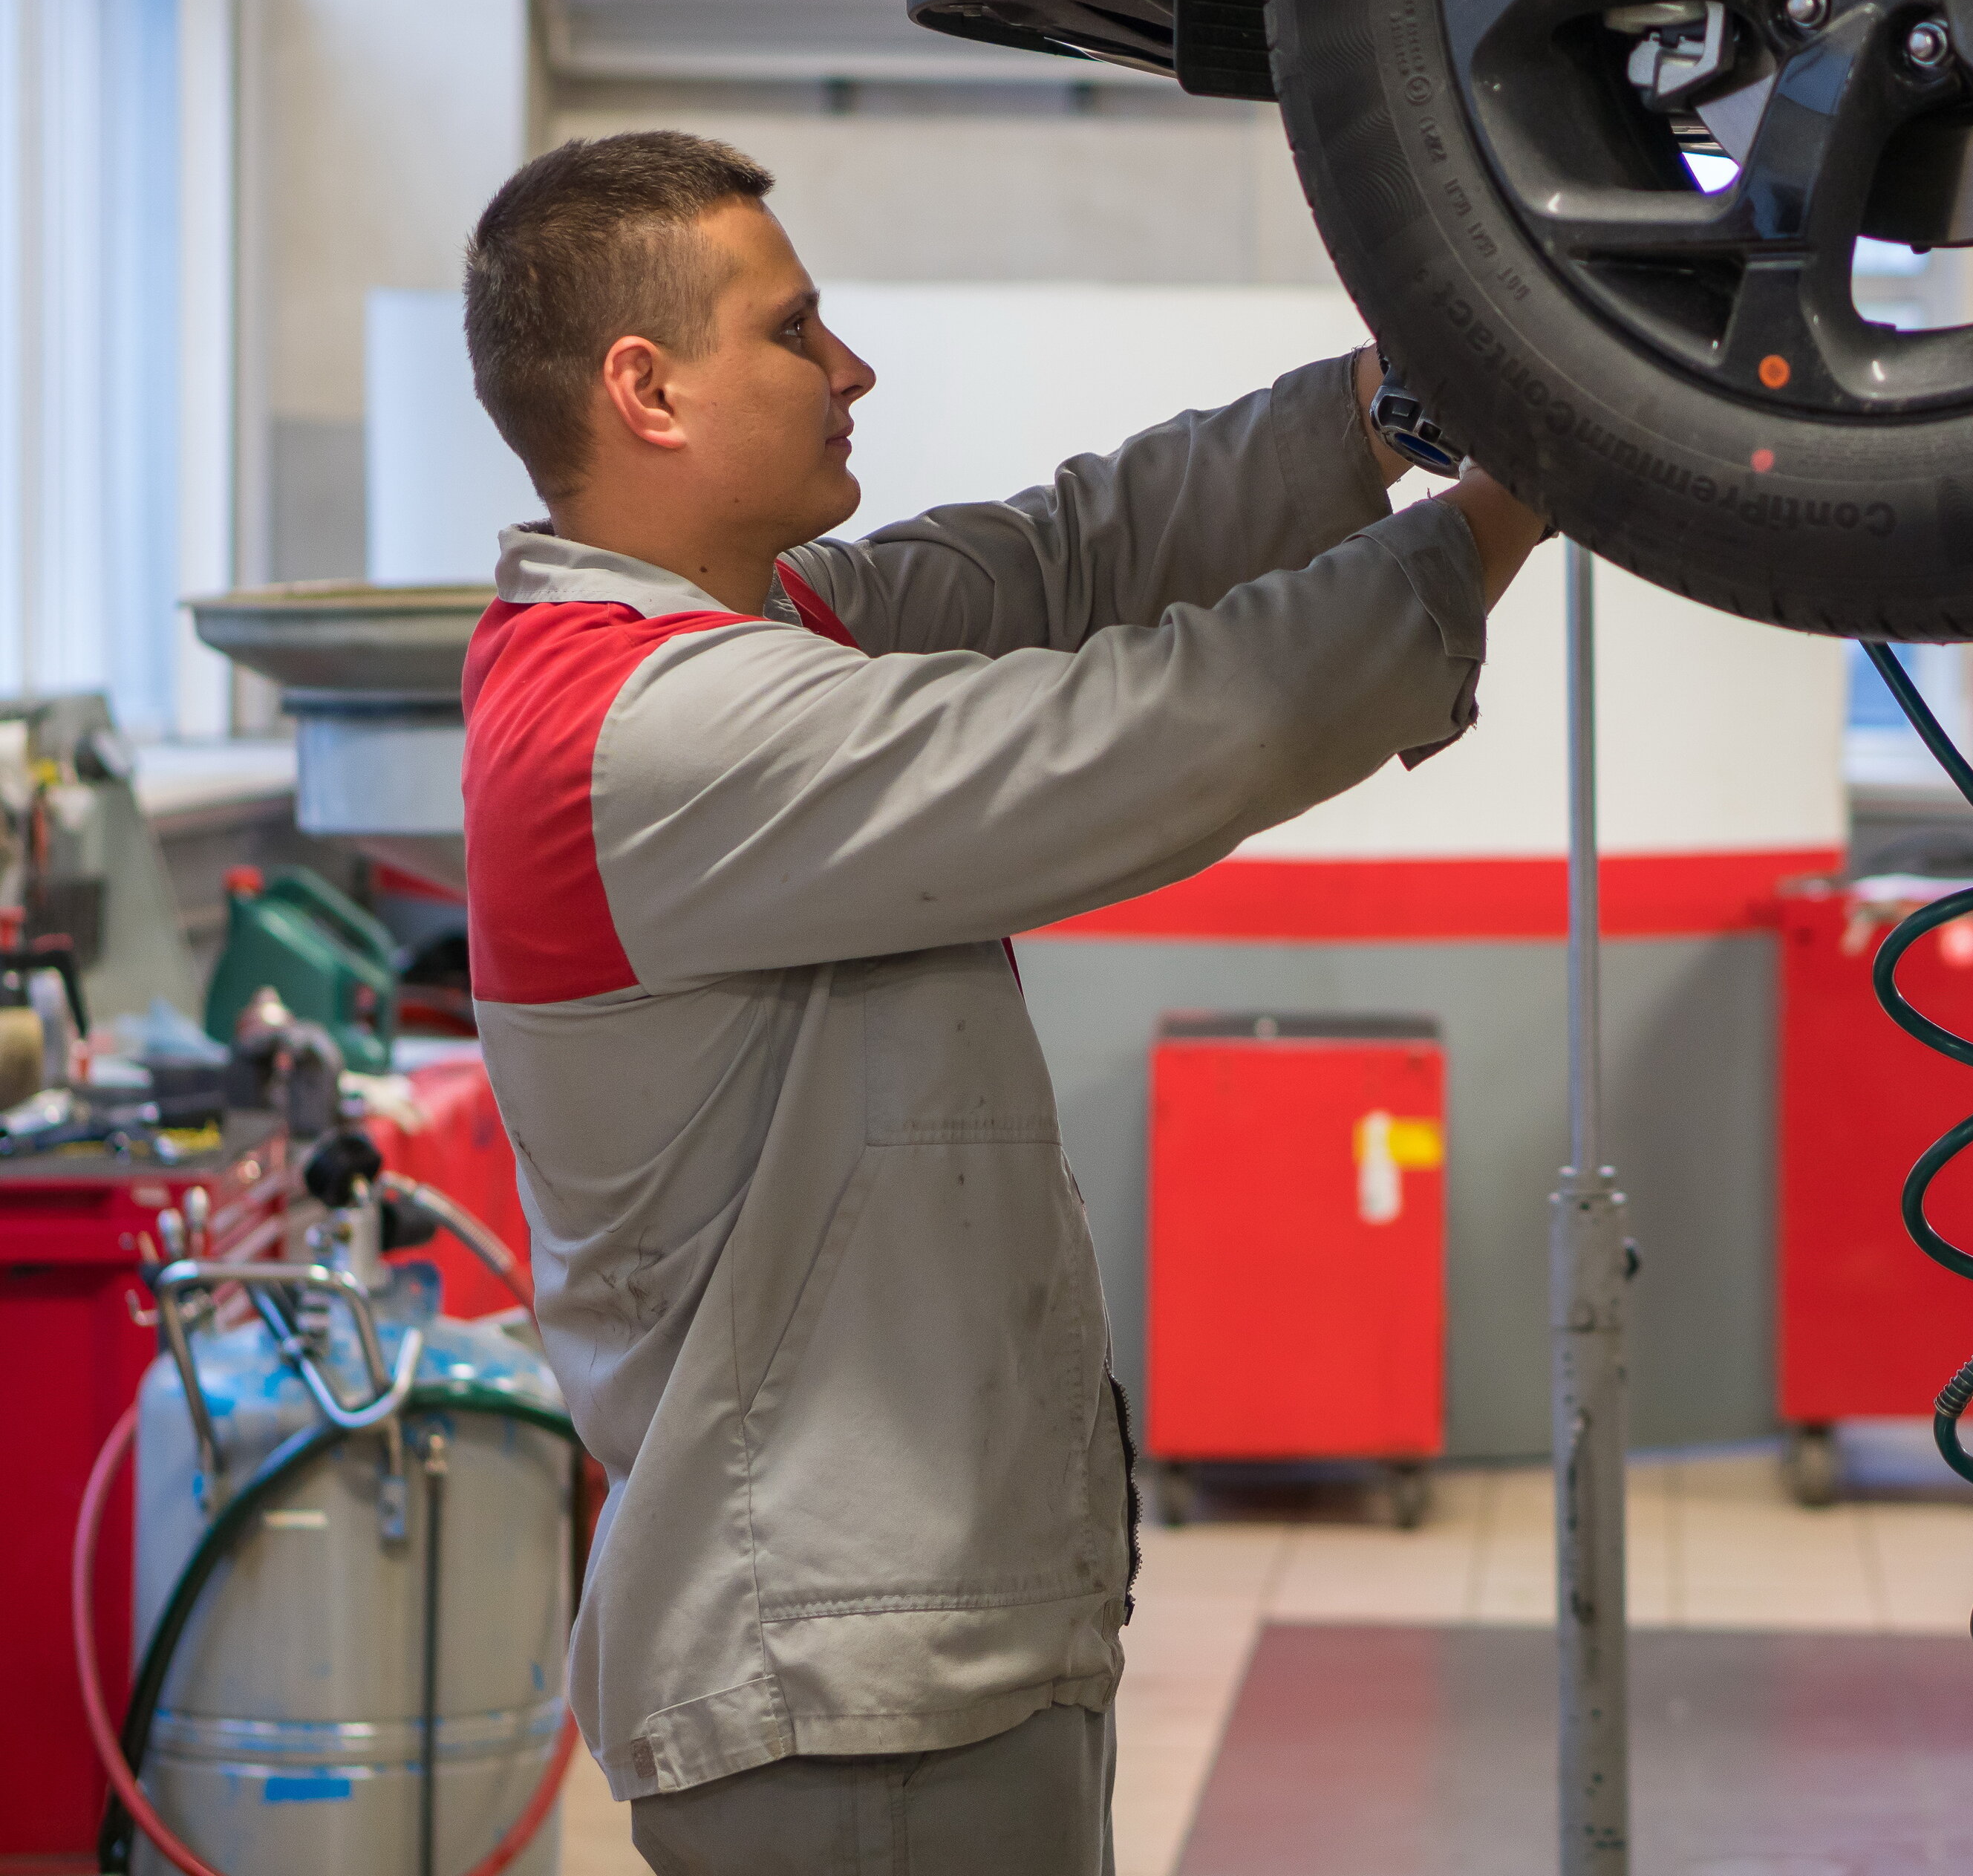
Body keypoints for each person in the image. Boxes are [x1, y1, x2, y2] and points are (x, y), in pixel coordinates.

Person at [455, 130, 1543, 1873]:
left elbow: (1069, 560)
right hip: (839, 1689)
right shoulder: (649, 733)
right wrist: (1522, 493)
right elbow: (1148, 733)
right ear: (647, 391)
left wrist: (1401, 403)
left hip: (907, 1653)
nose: (851, 367)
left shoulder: (764, 631)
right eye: (796, 332)